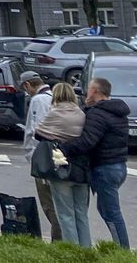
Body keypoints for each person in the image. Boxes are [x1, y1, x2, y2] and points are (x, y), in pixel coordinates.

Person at [59, 77, 130, 249]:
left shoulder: (98, 114)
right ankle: (121, 249)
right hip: (119, 166)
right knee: (107, 210)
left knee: (111, 213)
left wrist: (64, 148)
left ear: (95, 91)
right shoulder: (118, 112)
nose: (86, 93)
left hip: (104, 167)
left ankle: (122, 251)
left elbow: (87, 141)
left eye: (89, 89)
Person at [35, 82, 92, 248]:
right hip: (81, 168)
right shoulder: (81, 114)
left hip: (61, 167)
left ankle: (72, 248)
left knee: (65, 213)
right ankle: (85, 248)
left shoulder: (55, 113)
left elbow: (39, 133)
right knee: (81, 212)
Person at [20, 71, 61, 241]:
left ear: (28, 84)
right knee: (58, 203)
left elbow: (37, 131)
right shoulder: (53, 96)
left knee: (49, 204)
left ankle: (58, 239)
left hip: (43, 160)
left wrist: (35, 159)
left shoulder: (38, 100)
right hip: (56, 157)